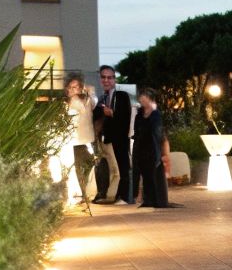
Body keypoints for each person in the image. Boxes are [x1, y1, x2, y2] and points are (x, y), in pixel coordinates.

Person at [93, 64, 134, 204]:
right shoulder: (102, 98)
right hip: (107, 138)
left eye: (109, 78)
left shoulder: (121, 96)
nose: (106, 80)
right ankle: (114, 195)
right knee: (113, 168)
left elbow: (125, 117)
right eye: (103, 77)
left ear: (114, 80)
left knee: (123, 167)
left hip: (120, 137)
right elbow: (95, 115)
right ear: (100, 79)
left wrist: (112, 114)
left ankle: (124, 196)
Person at [130, 89, 176, 208]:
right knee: (144, 173)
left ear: (150, 98)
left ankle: (157, 199)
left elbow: (159, 133)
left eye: (144, 97)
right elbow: (136, 130)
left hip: (152, 146)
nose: (142, 99)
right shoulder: (139, 113)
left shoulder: (156, 114)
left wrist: (163, 151)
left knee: (153, 172)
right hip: (141, 146)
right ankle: (147, 199)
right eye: (141, 97)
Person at [64, 74, 96, 203]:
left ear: (81, 87)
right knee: (79, 166)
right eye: (70, 87)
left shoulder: (88, 100)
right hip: (75, 140)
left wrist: (90, 92)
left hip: (88, 138)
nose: (73, 90)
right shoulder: (69, 102)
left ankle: (85, 192)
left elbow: (94, 102)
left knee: (89, 163)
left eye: (75, 87)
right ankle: (82, 193)